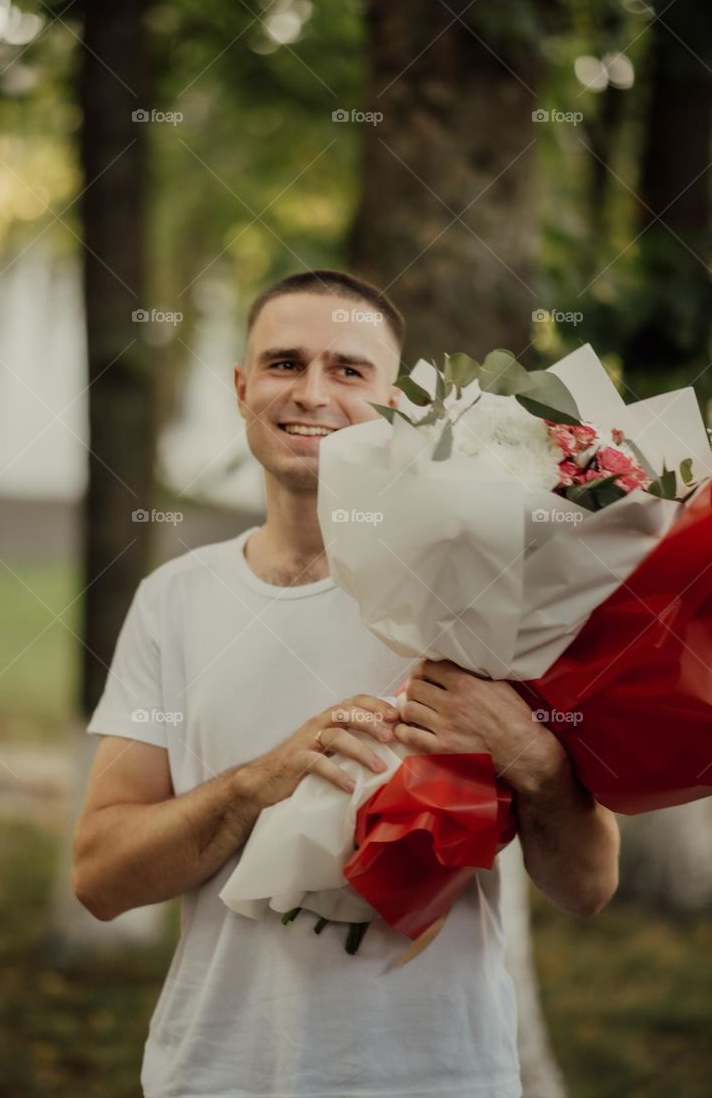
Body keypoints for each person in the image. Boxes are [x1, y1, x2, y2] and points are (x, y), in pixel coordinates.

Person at [73, 268, 620, 1098]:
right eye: (285, 363)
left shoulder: (485, 593)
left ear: (397, 402)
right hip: (216, 1074)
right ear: (242, 386)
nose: (314, 394)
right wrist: (262, 782)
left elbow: (587, 888)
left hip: (439, 1075)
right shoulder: (174, 602)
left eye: (349, 370)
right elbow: (102, 879)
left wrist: (528, 755)